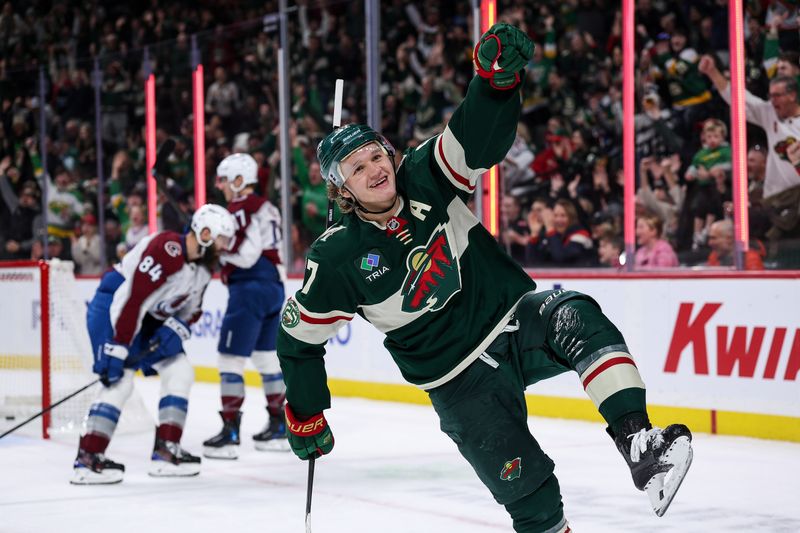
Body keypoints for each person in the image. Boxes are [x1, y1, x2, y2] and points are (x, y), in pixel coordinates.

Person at [276, 24, 693, 533]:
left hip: (512, 325)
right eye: (356, 167)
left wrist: (492, 85)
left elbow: (473, 139)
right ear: (342, 188)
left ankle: (638, 444)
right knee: (536, 502)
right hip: (458, 382)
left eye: (376, 155)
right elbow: (298, 341)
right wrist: (307, 410)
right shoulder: (337, 255)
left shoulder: (423, 173)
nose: (374, 169)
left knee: (575, 315)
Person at [71, 204, 236, 484]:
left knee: (180, 370)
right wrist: (119, 346)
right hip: (113, 306)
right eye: (222, 239)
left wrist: (177, 327)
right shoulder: (167, 248)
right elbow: (133, 299)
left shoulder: (205, 270)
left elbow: (191, 312)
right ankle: (88, 458)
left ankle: (166, 450)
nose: (225, 247)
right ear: (205, 233)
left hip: (147, 318)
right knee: (119, 380)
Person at [203, 153, 288, 459]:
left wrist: (217, 250)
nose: (221, 186)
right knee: (266, 359)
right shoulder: (267, 206)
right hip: (273, 287)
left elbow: (247, 254)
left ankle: (230, 431)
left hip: (249, 287)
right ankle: (280, 425)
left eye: (225, 180)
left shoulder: (242, 207)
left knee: (229, 361)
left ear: (240, 180)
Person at [698, 56, 800, 248]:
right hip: (775, 199)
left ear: (792, 95)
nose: (772, 100)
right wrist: (713, 72)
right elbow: (739, 98)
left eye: (777, 96)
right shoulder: (771, 114)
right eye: (770, 95)